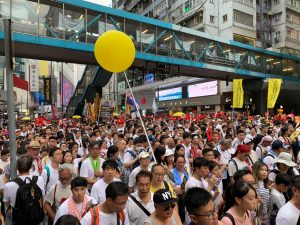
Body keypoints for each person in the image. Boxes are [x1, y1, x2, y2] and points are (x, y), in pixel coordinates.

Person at [3, 155, 45, 224]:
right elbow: (42, 197)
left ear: (17, 167)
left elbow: (7, 203)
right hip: (36, 216)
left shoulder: (8, 185)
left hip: (19, 218)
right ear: (31, 166)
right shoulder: (40, 179)